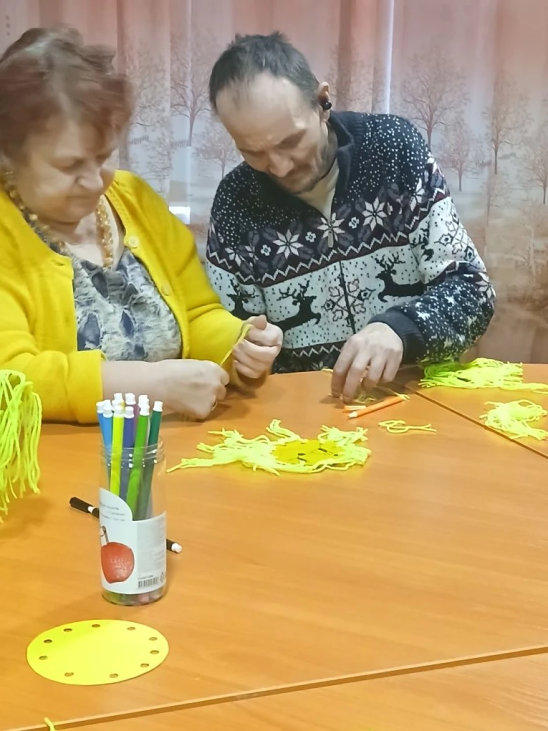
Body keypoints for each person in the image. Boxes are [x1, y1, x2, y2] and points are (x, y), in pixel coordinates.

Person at [0, 28, 282, 424]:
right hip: (57, 458)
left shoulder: (135, 199)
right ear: (10, 156)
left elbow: (196, 313)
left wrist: (237, 345)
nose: (95, 181)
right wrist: (149, 386)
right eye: (69, 166)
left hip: (170, 447)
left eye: (103, 156)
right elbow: (12, 378)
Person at [205, 32, 495, 403]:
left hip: (418, 397)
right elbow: (225, 337)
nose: (278, 167)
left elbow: (472, 290)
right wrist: (245, 354)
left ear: (322, 102)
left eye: (290, 141)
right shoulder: (235, 202)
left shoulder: (393, 151)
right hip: (305, 413)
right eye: (252, 152)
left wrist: (401, 329)